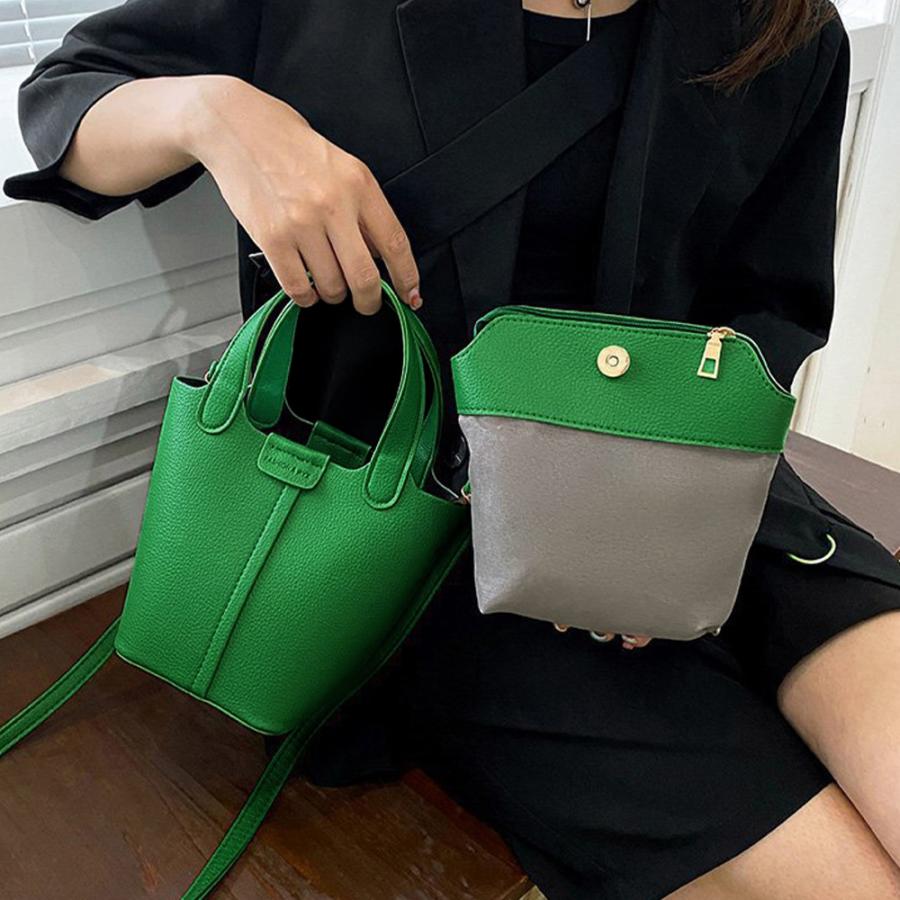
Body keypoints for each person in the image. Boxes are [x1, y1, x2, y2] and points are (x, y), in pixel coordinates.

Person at [6, 0, 900, 896]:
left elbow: (766, 307)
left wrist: (663, 511)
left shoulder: (776, 27)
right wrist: (218, 113)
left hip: (701, 497)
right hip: (433, 535)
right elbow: (67, 98)